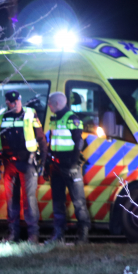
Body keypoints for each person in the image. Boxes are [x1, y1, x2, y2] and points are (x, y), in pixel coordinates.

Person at [0, 90, 47, 244]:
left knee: (29, 199)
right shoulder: (2, 115)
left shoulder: (30, 114)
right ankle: (13, 234)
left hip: (27, 163)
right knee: (11, 200)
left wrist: (42, 161)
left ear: (20, 100)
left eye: (17, 101)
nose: (16, 104)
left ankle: (33, 235)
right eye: (13, 102)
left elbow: (41, 138)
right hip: (9, 162)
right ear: (7, 103)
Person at [45, 92, 91, 244]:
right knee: (58, 201)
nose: (49, 106)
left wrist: (73, 165)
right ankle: (59, 234)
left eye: (50, 103)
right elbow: (52, 141)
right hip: (56, 165)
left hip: (69, 166)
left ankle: (83, 236)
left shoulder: (72, 118)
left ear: (57, 104)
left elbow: (79, 142)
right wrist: (47, 164)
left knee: (78, 201)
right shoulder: (54, 118)